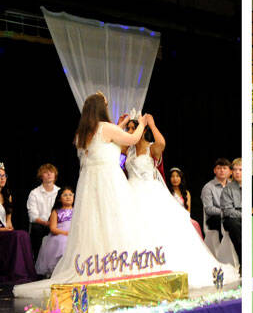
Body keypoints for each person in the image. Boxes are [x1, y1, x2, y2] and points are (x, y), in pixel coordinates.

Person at [14, 92, 153, 298]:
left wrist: (119, 125)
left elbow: (104, 144)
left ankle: (97, 265)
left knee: (96, 223)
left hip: (90, 183)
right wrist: (141, 123)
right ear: (101, 108)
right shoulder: (106, 128)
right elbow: (132, 139)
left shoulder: (82, 134)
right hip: (108, 180)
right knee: (115, 220)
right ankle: (116, 264)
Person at [125, 117, 237, 289]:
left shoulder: (151, 148)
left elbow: (161, 142)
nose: (130, 131)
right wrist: (119, 123)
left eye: (134, 128)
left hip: (150, 192)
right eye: (129, 128)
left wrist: (151, 124)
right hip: (131, 193)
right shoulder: (128, 151)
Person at [0, 162, 35, 285]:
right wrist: (2, 230)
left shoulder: (8, 195)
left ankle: (28, 273)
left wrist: (9, 227)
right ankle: (18, 274)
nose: (3, 178)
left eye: (4, 175)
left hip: (3, 231)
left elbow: (8, 221)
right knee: (17, 236)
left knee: (23, 234)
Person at [35, 187, 73, 277]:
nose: (68, 197)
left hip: (74, 233)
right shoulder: (56, 212)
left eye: (70, 195)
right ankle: (60, 269)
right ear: (59, 199)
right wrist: (66, 234)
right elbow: (53, 228)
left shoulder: (77, 210)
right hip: (60, 234)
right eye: (65, 195)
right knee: (62, 242)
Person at [27, 163, 60, 260]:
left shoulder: (60, 192)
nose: (49, 174)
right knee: (36, 229)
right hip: (42, 225)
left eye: (51, 172)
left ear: (55, 175)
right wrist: (46, 223)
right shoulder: (34, 193)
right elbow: (32, 216)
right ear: (41, 176)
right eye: (46, 172)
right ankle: (38, 263)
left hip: (58, 224)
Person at [167, 167, 202, 237]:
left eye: (177, 176)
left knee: (195, 224)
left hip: (184, 218)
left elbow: (188, 211)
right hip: (171, 217)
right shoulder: (167, 192)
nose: (175, 179)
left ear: (181, 178)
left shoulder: (186, 193)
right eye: (172, 176)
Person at [202, 158, 231, 239]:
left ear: (229, 171)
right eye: (219, 168)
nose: (222, 170)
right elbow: (209, 209)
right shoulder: (208, 187)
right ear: (214, 170)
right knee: (229, 223)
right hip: (214, 218)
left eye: (224, 168)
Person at [221, 158, 242, 267]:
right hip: (232, 218)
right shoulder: (227, 189)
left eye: (241, 169)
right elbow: (228, 211)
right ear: (232, 172)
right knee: (235, 224)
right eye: (235, 170)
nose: (237, 172)